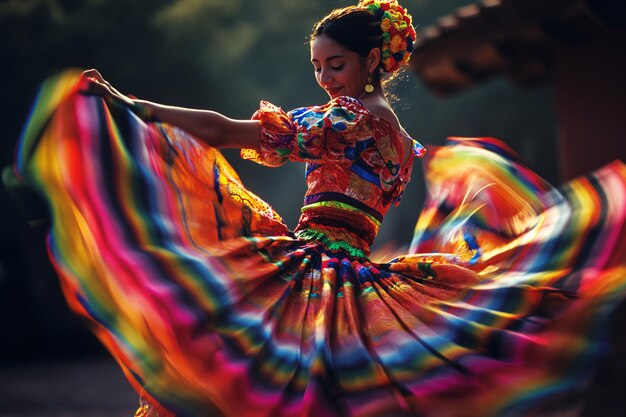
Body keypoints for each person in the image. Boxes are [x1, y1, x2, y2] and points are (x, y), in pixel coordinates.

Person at [10, 1, 626, 416]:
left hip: (322, 271)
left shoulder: (353, 120)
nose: (326, 78)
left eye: (337, 65)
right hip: (339, 269)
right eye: (318, 68)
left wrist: (138, 107)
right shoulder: (390, 135)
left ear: (371, 64)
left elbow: (227, 133)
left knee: (236, 370)